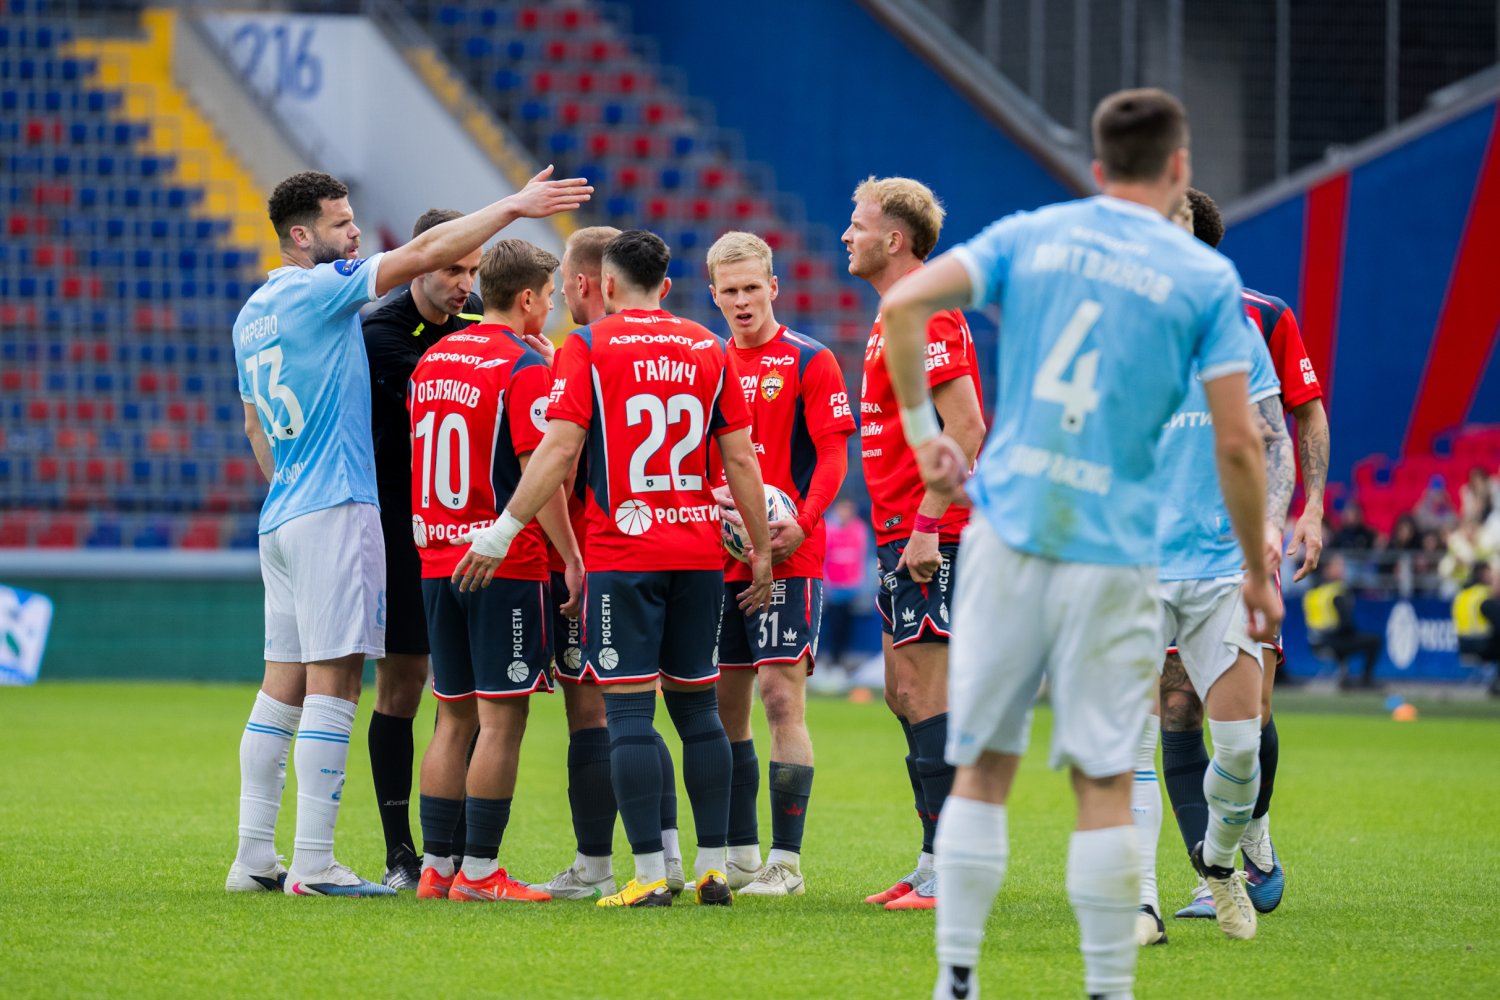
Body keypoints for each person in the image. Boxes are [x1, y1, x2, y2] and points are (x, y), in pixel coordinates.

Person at [877, 88, 1280, 999]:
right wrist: (1261, 572)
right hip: (1113, 550)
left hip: (1011, 533)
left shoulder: (1034, 234)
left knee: (984, 770)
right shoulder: (1202, 279)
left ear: (1096, 168)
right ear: (1179, 167)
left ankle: (956, 980)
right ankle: (1107, 987)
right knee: (1104, 777)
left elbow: (904, 307)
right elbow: (1238, 442)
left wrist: (923, 433)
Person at [226, 165, 590, 897]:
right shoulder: (323, 290)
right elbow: (420, 254)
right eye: (340, 222)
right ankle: (315, 864)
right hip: (336, 506)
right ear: (301, 235)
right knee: (336, 684)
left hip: (284, 510)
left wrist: (289, 487)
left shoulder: (252, 313)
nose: (354, 232)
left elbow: (254, 425)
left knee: (280, 688)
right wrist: (516, 205)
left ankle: (253, 858)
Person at [453, 230, 773, 909]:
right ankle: (712, 868)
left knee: (627, 714)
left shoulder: (589, 346)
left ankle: (651, 872)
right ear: (667, 284)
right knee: (701, 713)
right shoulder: (709, 346)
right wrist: (762, 552)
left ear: (605, 284)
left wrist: (504, 529)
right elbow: (742, 459)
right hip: (698, 553)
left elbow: (558, 450)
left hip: (624, 555)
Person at [1131, 193, 1296, 945]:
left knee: (1238, 749)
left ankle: (1221, 861)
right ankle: (1139, 907)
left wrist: (1273, 525)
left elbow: (1274, 440)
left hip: (1224, 565)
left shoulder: (1235, 328)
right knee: (1132, 740)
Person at [408, 240, 574, 904]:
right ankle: (479, 873)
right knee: (502, 720)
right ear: (527, 298)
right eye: (550, 296)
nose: (551, 307)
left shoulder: (434, 358)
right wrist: (572, 558)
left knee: (451, 718)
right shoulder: (522, 367)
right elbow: (543, 476)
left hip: (436, 557)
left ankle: (436, 868)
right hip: (503, 563)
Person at [843, 176, 987, 911]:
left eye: (859, 224)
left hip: (932, 531)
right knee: (903, 694)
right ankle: (932, 859)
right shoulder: (893, 314)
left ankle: (954, 868)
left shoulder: (928, 310)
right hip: (898, 531)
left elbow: (967, 427)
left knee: (928, 694)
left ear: (894, 239)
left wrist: (929, 522)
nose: (847, 235)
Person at [532, 225, 689, 901]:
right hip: (671, 549)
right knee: (642, 710)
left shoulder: (588, 352)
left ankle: (596, 864)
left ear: (588, 283)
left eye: (565, 283)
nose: (563, 294)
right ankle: (673, 857)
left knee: (596, 713)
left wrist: (559, 550)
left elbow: (562, 464)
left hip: (598, 555)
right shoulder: (675, 348)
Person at [704, 231, 856, 896]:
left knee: (779, 697)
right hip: (720, 555)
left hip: (792, 553)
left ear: (773, 286)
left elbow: (833, 454)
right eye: (729, 291)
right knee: (722, 707)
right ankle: (741, 854)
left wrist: (803, 522)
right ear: (713, 294)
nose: (742, 301)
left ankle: (786, 862)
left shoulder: (810, 359)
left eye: (751, 288)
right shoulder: (707, 363)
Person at [361, 207, 483, 889]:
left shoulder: (475, 322)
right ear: (421, 260)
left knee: (465, 690)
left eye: (473, 270)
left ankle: (457, 850)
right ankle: (399, 852)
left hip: (470, 529)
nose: (465, 284)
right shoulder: (381, 329)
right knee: (404, 683)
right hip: (401, 529)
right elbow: (444, 403)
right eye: (453, 268)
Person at [1304, 554, 1383, 688]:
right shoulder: (1337, 591)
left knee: (1348, 639)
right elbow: (1346, 624)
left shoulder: (1313, 592)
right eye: (1338, 566)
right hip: (1332, 640)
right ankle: (1366, 680)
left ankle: (1345, 678)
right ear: (1327, 569)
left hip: (1315, 642)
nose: (1342, 569)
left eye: (1342, 566)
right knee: (1374, 641)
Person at [822, 498, 872, 670]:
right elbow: (824, 557)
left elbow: (863, 557)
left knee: (847, 625)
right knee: (833, 624)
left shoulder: (860, 529)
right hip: (833, 588)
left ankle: (842, 661)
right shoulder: (829, 528)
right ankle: (833, 660)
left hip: (852, 588)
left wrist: (862, 583)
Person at [1454, 562, 1500, 695]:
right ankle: (1497, 683)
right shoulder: (1484, 595)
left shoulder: (1462, 594)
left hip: (1463, 644)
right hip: (1481, 644)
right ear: (1483, 575)